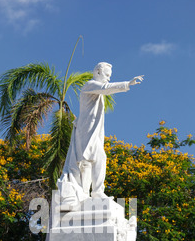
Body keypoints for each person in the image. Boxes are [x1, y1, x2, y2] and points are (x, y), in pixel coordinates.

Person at [58, 62, 144, 206]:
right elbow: (105, 88)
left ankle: (93, 191)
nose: (108, 79)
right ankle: (95, 192)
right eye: (107, 75)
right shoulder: (89, 85)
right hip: (85, 130)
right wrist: (127, 84)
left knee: (93, 160)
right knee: (90, 160)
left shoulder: (96, 90)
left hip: (92, 132)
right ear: (98, 72)